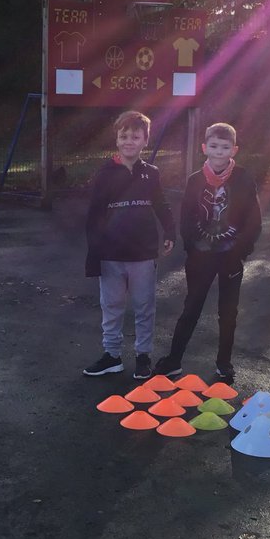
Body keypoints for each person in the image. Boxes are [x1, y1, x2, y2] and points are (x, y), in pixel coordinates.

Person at [155, 121, 261, 385]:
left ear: (233, 150)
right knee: (191, 307)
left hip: (230, 257)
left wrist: (241, 250)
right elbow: (187, 219)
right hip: (201, 258)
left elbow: (253, 220)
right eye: (213, 146)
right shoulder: (195, 180)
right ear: (205, 148)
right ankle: (173, 361)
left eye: (225, 147)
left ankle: (224, 364)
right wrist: (194, 248)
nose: (219, 152)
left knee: (228, 312)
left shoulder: (244, 178)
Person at [83, 110, 176, 380]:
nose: (129, 141)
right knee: (111, 306)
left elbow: (161, 204)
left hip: (143, 255)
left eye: (135, 137)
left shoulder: (152, 173)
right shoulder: (104, 174)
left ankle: (143, 356)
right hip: (111, 255)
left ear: (145, 140)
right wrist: (94, 253)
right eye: (124, 136)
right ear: (117, 139)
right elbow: (94, 216)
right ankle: (112, 355)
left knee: (144, 306)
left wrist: (170, 230)